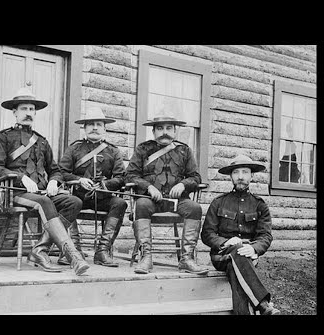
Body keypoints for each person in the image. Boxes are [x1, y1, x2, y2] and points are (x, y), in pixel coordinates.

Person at [0, 87, 89, 276]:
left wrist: (54, 182)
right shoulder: (4, 137)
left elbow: (55, 170)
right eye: (23, 109)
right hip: (15, 194)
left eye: (31, 109)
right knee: (44, 202)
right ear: (14, 112)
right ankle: (73, 256)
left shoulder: (41, 141)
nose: (28, 113)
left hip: (42, 194)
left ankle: (39, 250)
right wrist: (20, 177)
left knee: (73, 202)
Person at [126, 111, 208, 275]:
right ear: (153, 131)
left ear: (175, 131)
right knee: (141, 204)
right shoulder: (143, 150)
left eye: (169, 128)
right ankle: (146, 257)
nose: (165, 131)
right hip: (150, 200)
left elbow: (195, 177)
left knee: (194, 208)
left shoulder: (184, 151)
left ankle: (187, 259)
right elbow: (130, 175)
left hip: (177, 202)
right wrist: (148, 186)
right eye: (160, 128)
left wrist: (183, 184)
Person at [201, 154, 280, 315]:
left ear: (251, 176)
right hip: (221, 256)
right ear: (231, 176)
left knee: (236, 263)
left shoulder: (259, 205)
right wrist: (226, 242)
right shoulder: (218, 202)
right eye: (236, 172)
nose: (241, 177)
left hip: (248, 256)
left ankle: (255, 308)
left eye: (245, 172)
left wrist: (254, 249)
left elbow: (265, 235)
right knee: (237, 249)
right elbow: (207, 234)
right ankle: (263, 304)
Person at [58, 107, 127, 267]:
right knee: (70, 202)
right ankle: (73, 249)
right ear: (84, 128)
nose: (94, 127)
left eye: (98, 124)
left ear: (104, 128)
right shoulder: (74, 148)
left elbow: (121, 177)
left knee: (120, 204)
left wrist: (105, 184)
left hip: (103, 196)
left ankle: (102, 251)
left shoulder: (113, 151)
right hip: (78, 195)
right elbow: (61, 171)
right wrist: (79, 180)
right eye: (90, 124)